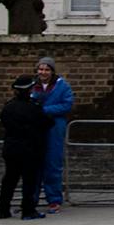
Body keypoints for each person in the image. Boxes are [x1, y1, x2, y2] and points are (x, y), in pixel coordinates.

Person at [0, 75, 50, 220]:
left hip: (11, 148)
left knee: (9, 179)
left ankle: (3, 209)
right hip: (29, 148)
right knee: (29, 181)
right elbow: (46, 123)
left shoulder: (8, 107)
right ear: (29, 90)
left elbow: (4, 122)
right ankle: (28, 210)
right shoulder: (33, 107)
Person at [31, 56, 74, 211]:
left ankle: (54, 200)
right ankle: (31, 200)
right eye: (41, 69)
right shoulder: (31, 85)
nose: (43, 72)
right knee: (33, 165)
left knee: (53, 164)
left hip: (54, 128)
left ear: (52, 71)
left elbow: (67, 105)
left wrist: (43, 111)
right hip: (34, 128)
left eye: (47, 69)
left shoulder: (62, 86)